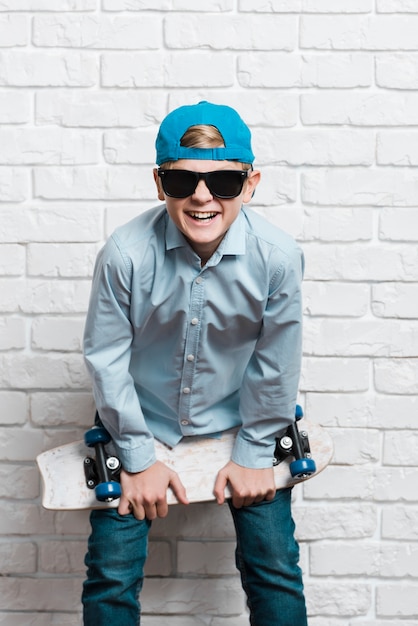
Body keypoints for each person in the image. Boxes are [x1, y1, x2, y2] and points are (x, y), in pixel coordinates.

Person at [82, 101, 307, 625]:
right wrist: (137, 457)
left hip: (244, 422)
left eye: (223, 183)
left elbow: (277, 363)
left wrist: (254, 453)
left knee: (274, 566)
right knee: (111, 573)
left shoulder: (278, 257)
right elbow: (106, 361)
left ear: (250, 185)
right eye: (183, 181)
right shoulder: (124, 254)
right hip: (140, 421)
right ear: (160, 184)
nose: (203, 197)